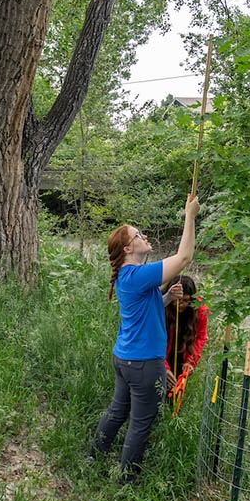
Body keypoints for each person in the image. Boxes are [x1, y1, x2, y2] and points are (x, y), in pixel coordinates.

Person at [89, 194, 200, 484]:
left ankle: (94, 457)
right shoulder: (138, 275)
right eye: (139, 235)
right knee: (141, 422)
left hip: (124, 358)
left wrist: (165, 298)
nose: (145, 235)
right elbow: (184, 257)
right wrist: (190, 215)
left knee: (117, 411)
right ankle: (127, 480)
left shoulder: (130, 277)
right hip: (142, 363)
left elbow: (143, 311)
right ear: (128, 248)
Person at [162, 275, 209, 405]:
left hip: (182, 351)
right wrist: (163, 367)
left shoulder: (199, 310)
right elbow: (151, 340)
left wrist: (191, 362)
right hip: (160, 352)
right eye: (176, 300)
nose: (179, 304)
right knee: (157, 390)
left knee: (175, 391)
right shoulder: (161, 305)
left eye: (185, 301)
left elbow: (201, 337)